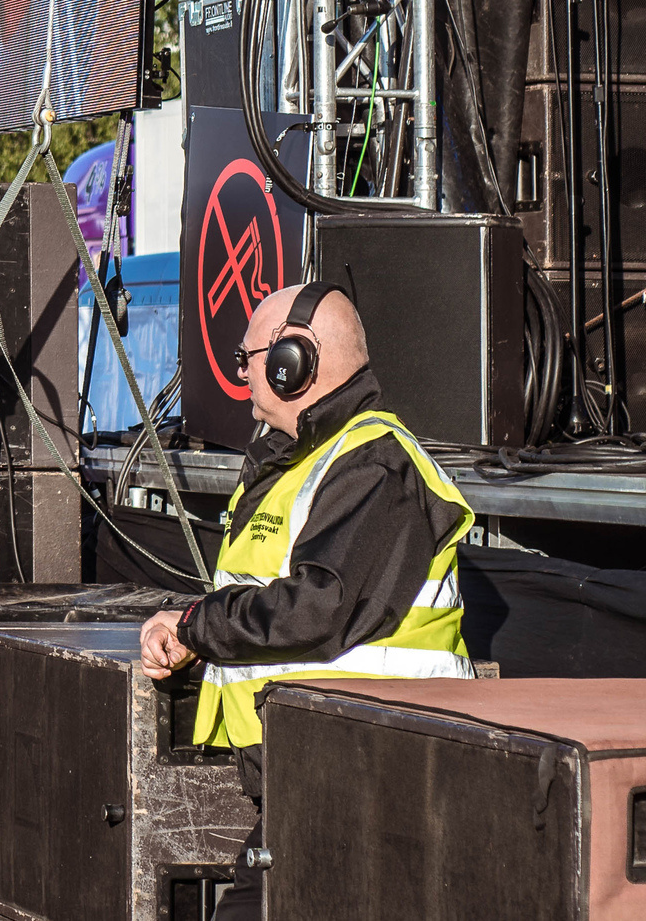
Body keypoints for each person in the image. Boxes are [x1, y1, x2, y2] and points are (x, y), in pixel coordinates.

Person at [138, 283, 473, 921]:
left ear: (296, 363)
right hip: (319, 771)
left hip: (370, 771)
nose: (243, 376)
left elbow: (318, 606)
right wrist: (192, 633)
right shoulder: (307, 462)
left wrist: (195, 624)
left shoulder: (373, 465)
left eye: (251, 358)